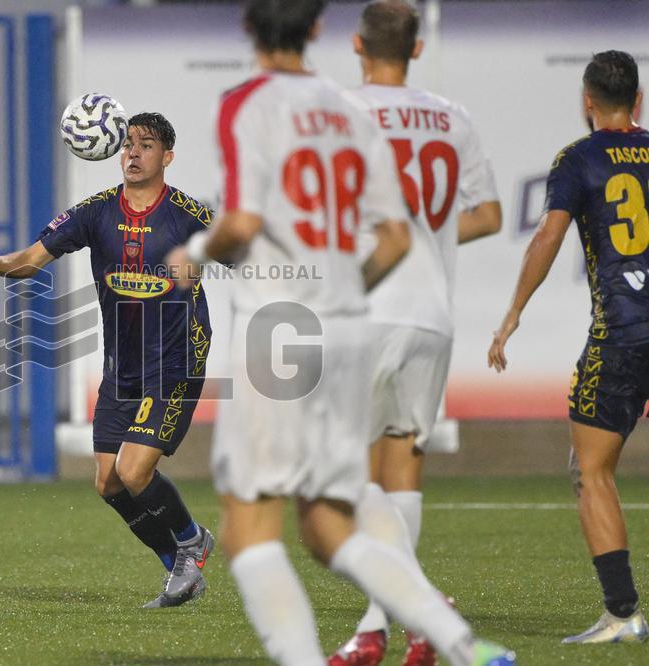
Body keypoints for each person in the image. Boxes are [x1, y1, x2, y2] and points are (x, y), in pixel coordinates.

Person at [167, 2, 514, 665]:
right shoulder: (349, 111)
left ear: (248, 29)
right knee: (331, 521)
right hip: (350, 324)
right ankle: (457, 641)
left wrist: (194, 254)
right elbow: (396, 237)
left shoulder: (245, 102)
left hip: (282, 327)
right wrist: (346, 292)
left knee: (249, 527)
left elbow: (240, 223)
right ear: (319, 31)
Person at [0, 112, 214, 608]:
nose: (133, 153)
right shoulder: (95, 211)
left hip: (175, 362)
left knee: (134, 471)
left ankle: (192, 542)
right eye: (128, 143)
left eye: (146, 145)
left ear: (167, 157)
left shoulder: (187, 213)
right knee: (108, 482)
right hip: (122, 367)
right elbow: (32, 259)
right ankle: (179, 568)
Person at [333, 2, 502, 664]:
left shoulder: (340, 112)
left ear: (357, 45)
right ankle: (394, 625)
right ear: (418, 49)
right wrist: (430, 237)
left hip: (367, 307)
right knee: (401, 466)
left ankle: (393, 617)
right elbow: (488, 215)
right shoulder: (452, 118)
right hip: (431, 314)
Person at [489, 50, 649, 645]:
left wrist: (512, 315)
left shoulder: (579, 159)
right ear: (638, 100)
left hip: (623, 334)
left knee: (590, 470)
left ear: (587, 101)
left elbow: (548, 237)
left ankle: (622, 614)